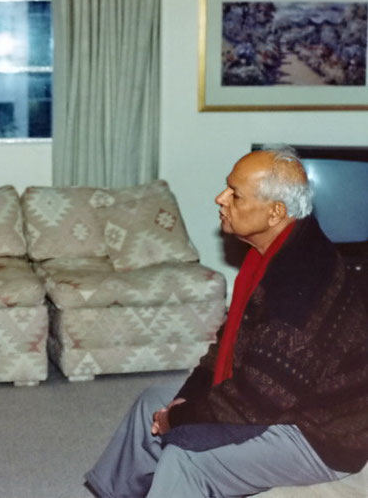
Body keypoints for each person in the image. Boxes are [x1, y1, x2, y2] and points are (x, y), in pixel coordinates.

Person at [85, 147, 368, 497]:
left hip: (319, 434)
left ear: (275, 212)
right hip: (278, 402)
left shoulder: (301, 284)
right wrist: (182, 402)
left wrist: (178, 419)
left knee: (188, 455)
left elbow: (259, 397)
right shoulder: (273, 256)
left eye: (235, 194)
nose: (220, 198)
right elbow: (227, 348)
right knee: (151, 404)